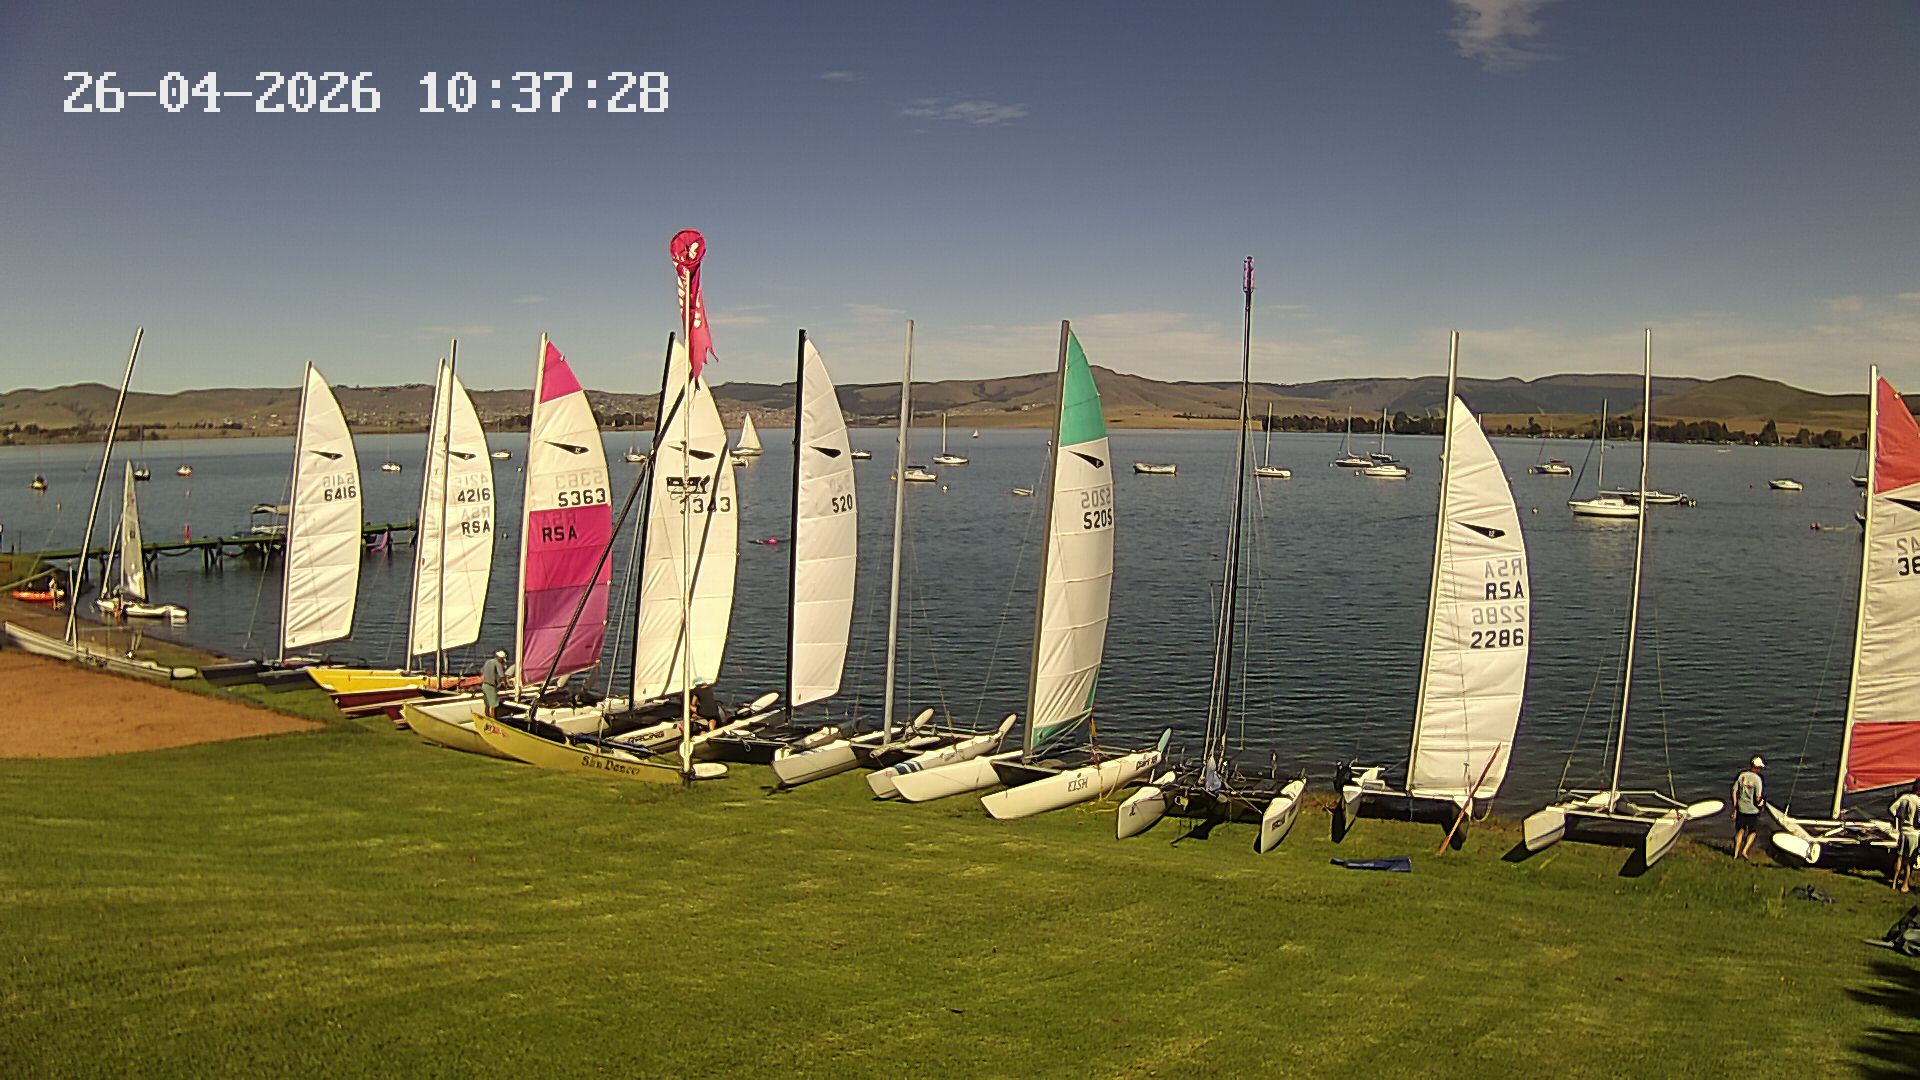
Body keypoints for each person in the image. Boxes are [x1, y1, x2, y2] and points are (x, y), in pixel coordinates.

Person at [1731, 756, 1766, 861]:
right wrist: (1762, 806)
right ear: (1758, 768)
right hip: (1753, 810)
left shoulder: (1742, 775)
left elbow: (1734, 791)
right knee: (1753, 832)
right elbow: (1758, 798)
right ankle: (1745, 850)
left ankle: (1736, 854)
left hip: (1741, 808)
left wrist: (1735, 806)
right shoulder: (1757, 779)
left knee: (1740, 830)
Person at [1891, 781, 1920, 893]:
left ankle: (1894, 882)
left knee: (1899, 857)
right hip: (1914, 833)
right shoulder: (1919, 801)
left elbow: (1892, 809)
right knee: (1909, 861)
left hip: (1903, 831)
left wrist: (1900, 817)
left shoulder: (1904, 797)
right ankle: (1905, 885)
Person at [480, 649, 508, 719]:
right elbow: (502, 676)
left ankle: (487, 718)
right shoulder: (498, 663)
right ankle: (493, 720)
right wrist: (506, 685)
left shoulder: (488, 661)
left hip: (484, 685)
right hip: (490, 686)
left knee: (487, 704)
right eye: (502, 659)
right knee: (493, 705)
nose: (502, 661)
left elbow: (482, 671)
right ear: (500, 658)